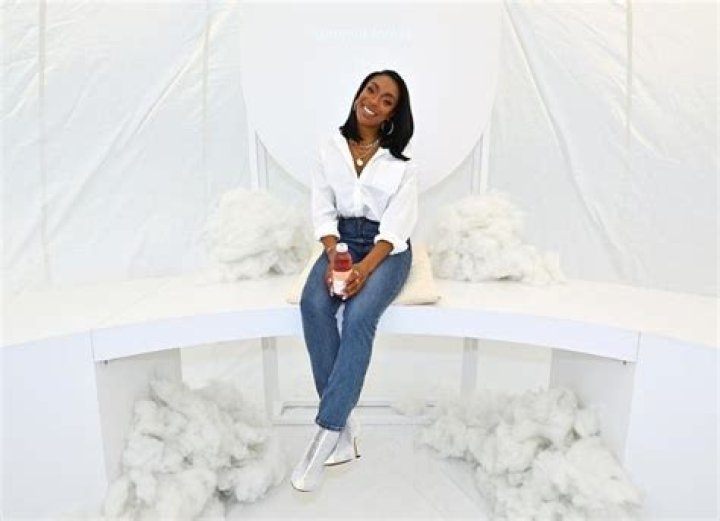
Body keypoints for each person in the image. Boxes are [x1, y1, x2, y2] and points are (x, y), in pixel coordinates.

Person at [291, 70, 418, 492]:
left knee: (360, 315)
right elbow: (323, 211)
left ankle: (327, 433)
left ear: (392, 115)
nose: (374, 101)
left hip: (387, 248)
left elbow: (396, 228)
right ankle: (345, 429)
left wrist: (363, 270)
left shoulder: (402, 164)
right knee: (313, 305)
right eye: (371, 91)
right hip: (341, 241)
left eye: (386, 100)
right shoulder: (328, 148)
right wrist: (336, 258)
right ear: (359, 93)